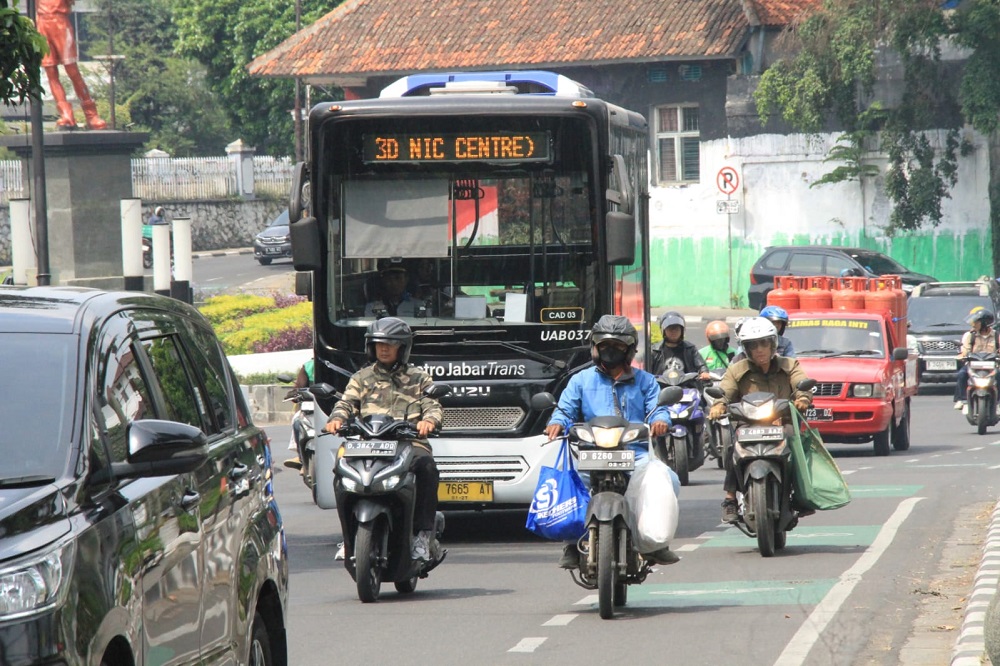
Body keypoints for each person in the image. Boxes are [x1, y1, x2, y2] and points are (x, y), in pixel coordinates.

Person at [543, 314, 678, 568]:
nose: (610, 351)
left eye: (617, 346)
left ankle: (653, 543)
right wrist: (557, 421)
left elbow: (657, 409)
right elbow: (565, 409)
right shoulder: (580, 380)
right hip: (590, 451)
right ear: (595, 348)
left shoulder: (646, 381)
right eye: (604, 345)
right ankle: (573, 543)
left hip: (634, 452)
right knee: (569, 484)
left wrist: (661, 421)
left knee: (668, 480)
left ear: (629, 350)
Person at [324, 317, 444, 561]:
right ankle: (349, 537)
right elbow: (346, 403)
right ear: (371, 347)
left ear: (403, 347)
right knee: (340, 469)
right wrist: (336, 418)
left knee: (427, 468)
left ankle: (421, 535)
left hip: (410, 443)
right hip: (367, 444)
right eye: (379, 343)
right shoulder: (362, 377)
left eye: (391, 343)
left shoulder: (419, 378)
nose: (384, 348)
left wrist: (428, 422)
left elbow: (433, 406)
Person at [708, 317, 813, 524]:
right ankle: (730, 499)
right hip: (748, 425)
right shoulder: (737, 369)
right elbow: (725, 390)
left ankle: (801, 493)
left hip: (783, 423)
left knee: (796, 442)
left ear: (773, 343)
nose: (759, 350)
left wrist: (802, 398)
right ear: (745, 349)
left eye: (764, 343)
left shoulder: (789, 365)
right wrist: (719, 404)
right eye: (753, 345)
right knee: (733, 449)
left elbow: (802, 382)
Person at [36, 0, 107, 130]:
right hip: (42, 22)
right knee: (51, 71)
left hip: (60, 21)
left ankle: (91, 115)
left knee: (72, 71)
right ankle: (65, 113)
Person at [955, 308, 998, 411]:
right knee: (962, 374)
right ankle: (962, 400)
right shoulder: (970, 335)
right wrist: (962, 355)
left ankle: (998, 402)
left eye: (976, 322)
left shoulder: (997, 335)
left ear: (984, 323)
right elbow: (965, 350)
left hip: (992, 366)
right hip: (974, 365)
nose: (973, 324)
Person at [650, 311, 711, 382]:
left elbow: (701, 365)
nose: (673, 332)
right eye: (670, 328)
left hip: (687, 386)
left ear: (682, 330)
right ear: (664, 330)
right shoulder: (654, 350)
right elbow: (646, 370)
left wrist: (704, 372)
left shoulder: (690, 348)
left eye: (676, 329)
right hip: (661, 387)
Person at [283, 358, 315, 471]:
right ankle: (301, 457)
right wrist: (294, 395)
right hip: (313, 408)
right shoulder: (308, 367)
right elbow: (298, 388)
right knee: (297, 421)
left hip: (336, 407)